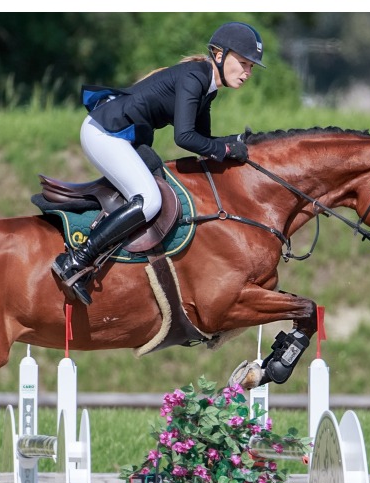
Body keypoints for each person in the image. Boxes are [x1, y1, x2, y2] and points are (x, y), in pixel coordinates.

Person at [52, 21, 266, 305]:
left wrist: (237, 141)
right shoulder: (195, 78)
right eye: (243, 63)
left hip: (123, 134)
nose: (248, 72)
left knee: (157, 186)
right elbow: (185, 137)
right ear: (218, 54)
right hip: (106, 132)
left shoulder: (207, 85)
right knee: (149, 200)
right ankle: (77, 260)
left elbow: (203, 138)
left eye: (251, 66)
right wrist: (226, 148)